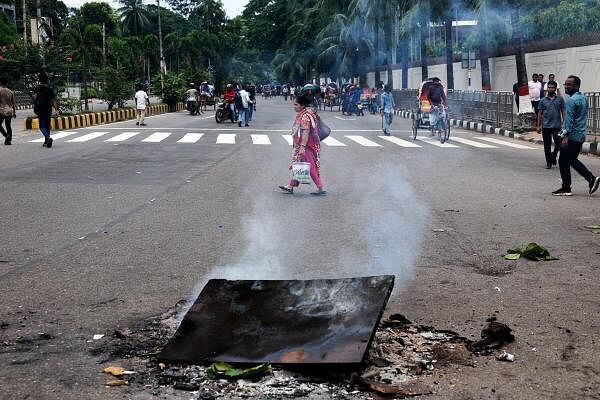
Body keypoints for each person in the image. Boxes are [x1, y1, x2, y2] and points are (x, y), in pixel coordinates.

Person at [552, 75, 599, 196]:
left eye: (569, 84)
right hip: (580, 134)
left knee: (566, 160)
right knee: (567, 160)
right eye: (565, 84)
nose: (566, 87)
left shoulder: (571, 100)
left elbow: (569, 120)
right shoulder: (583, 98)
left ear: (576, 86)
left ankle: (589, 179)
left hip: (572, 135)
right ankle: (568, 187)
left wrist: (565, 136)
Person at [278, 94, 326, 196]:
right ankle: (290, 186)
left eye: (296, 104)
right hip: (308, 143)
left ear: (302, 105)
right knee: (300, 164)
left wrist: (302, 147)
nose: (294, 106)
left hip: (307, 145)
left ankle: (320, 187)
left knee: (310, 166)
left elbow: (305, 132)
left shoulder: (304, 116)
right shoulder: (307, 113)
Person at [537, 81, 565, 169]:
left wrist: (564, 123)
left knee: (558, 144)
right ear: (547, 88)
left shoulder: (560, 99)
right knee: (547, 145)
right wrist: (538, 126)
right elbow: (540, 114)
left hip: (557, 126)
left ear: (555, 89)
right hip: (546, 127)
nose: (551, 89)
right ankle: (548, 162)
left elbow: (563, 111)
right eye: (549, 87)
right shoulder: (542, 100)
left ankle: (554, 155)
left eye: (553, 87)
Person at [32, 73, 59, 148]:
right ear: (47, 80)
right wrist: (56, 110)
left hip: (40, 109)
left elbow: (34, 98)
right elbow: (53, 100)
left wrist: (36, 98)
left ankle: (48, 138)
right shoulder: (49, 89)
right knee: (47, 125)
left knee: (41, 126)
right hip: (48, 109)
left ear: (39, 80)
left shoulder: (37, 88)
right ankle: (46, 141)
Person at [0, 77, 16, 145]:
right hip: (9, 111)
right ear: (6, 83)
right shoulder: (10, 91)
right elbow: (13, 103)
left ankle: (6, 135)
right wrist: (14, 112)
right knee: (8, 126)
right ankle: (8, 140)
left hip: (1, 110)